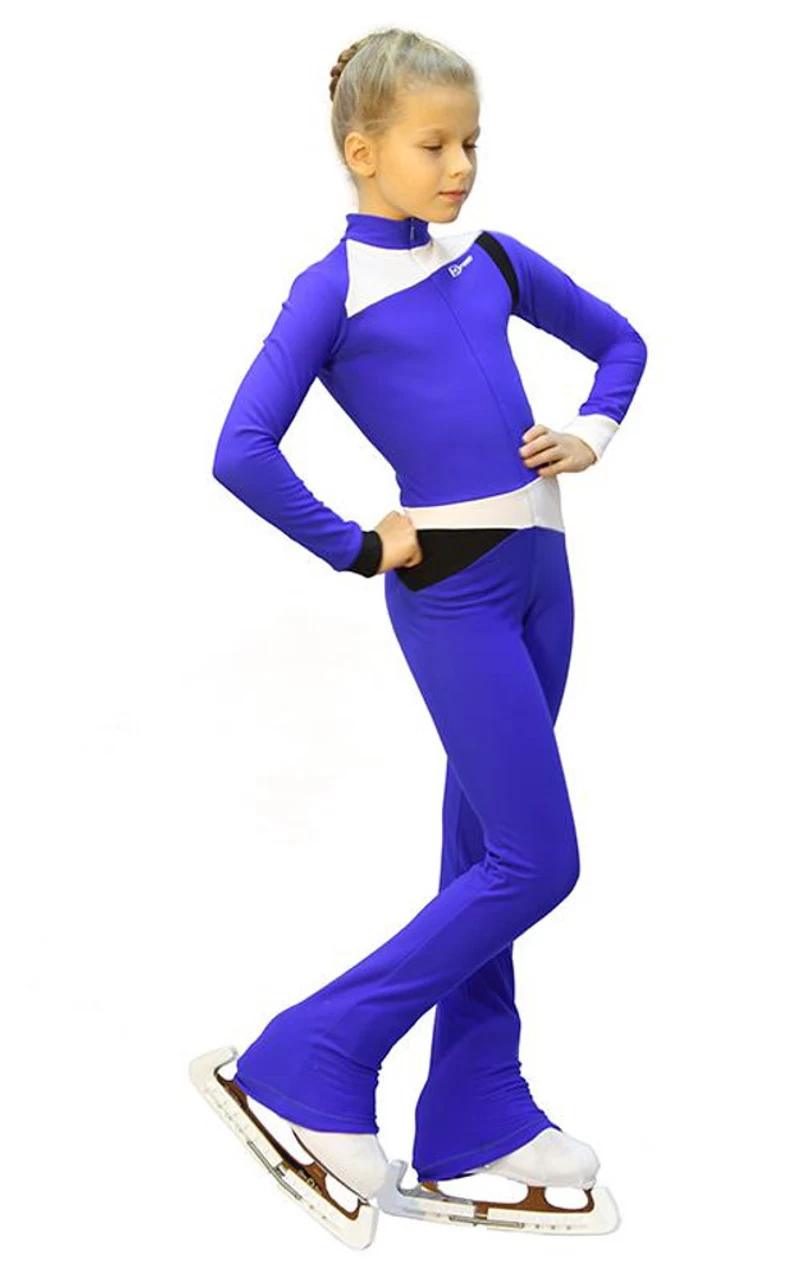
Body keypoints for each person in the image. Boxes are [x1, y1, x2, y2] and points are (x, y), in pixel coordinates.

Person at [193, 26, 647, 1243]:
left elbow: (621, 340)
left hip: (543, 575)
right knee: (536, 861)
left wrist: (592, 430)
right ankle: (305, 1058)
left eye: (470, 143)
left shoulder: (491, 258)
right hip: (451, 588)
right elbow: (240, 448)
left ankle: (471, 1112)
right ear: (363, 151)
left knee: (484, 854)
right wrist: (354, 543)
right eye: (433, 145)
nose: (459, 167)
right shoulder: (330, 289)